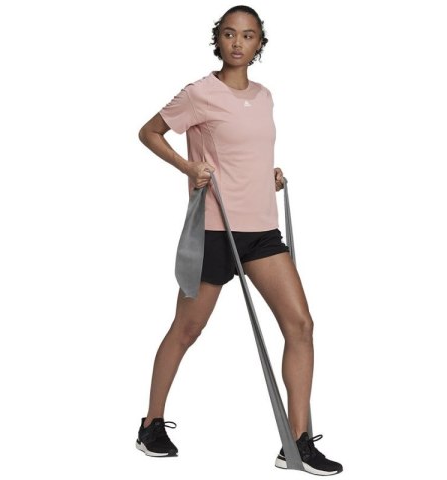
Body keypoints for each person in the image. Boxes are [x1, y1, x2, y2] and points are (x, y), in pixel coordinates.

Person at [136, 5, 343, 476]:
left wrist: (268, 174)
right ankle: (150, 425)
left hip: (262, 231)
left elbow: (247, 151)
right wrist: (188, 167)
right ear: (218, 40)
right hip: (216, 228)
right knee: (187, 330)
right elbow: (149, 132)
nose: (237, 43)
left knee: (301, 326)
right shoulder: (199, 93)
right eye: (229, 34)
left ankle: (297, 443)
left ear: (259, 44)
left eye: (248, 36)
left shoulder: (265, 96)